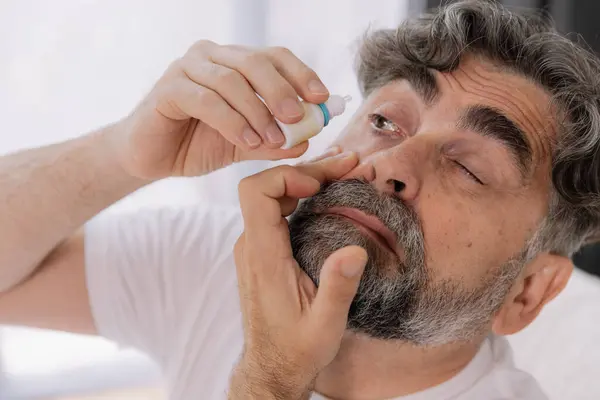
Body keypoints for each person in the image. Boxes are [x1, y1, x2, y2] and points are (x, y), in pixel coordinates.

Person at [2, 0, 600, 398]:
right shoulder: (227, 261)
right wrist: (122, 154)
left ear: (527, 291)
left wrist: (272, 380)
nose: (389, 162)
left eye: (468, 167)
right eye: (387, 121)